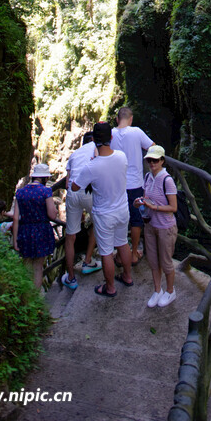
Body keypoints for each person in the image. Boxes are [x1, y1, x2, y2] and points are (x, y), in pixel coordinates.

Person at [73, 121, 133, 297]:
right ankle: (128, 277)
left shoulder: (92, 166)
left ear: (93, 140)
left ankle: (110, 287)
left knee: (106, 251)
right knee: (122, 243)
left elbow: (75, 187)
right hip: (123, 209)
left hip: (104, 214)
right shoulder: (122, 157)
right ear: (111, 138)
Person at [111, 106, 154, 265]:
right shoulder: (136, 132)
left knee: (117, 218)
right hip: (135, 183)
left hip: (116, 184)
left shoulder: (111, 133)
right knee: (136, 219)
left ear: (117, 119)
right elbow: (153, 147)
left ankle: (120, 253)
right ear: (131, 119)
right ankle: (134, 253)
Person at [136, 145, 178, 307]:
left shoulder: (168, 181)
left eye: (155, 160)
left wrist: (155, 208)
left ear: (162, 161)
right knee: (153, 260)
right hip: (150, 225)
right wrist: (139, 203)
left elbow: (173, 207)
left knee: (166, 261)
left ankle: (170, 291)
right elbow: (147, 197)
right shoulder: (148, 177)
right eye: (149, 160)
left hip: (165, 227)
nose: (152, 163)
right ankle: (157, 290)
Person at [61, 131, 100, 290]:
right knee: (98, 224)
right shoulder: (97, 147)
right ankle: (88, 261)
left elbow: (67, 182)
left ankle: (70, 277)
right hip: (90, 191)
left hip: (73, 191)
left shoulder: (74, 155)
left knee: (70, 236)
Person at [12, 162, 58, 288]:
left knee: (26, 264)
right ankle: (36, 297)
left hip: (25, 231)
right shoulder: (45, 191)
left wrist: (15, 239)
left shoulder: (20, 192)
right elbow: (52, 215)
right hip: (41, 231)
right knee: (38, 267)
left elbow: (16, 218)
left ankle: (25, 296)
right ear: (45, 178)